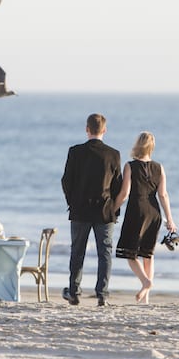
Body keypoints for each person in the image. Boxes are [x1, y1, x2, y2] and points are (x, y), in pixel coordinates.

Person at [61, 113, 123, 307]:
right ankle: (102, 294)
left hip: (79, 209)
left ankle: (74, 291)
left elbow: (66, 181)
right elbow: (118, 186)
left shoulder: (75, 151)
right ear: (104, 130)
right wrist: (114, 209)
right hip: (105, 210)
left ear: (87, 129)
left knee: (77, 252)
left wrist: (72, 201)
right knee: (104, 253)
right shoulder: (113, 154)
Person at [114, 131, 177, 304]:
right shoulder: (159, 167)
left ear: (137, 145)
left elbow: (125, 194)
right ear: (152, 147)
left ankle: (146, 282)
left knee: (129, 252)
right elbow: (163, 195)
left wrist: (112, 208)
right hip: (154, 212)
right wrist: (170, 219)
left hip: (137, 211)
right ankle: (145, 298)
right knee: (148, 254)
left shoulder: (130, 166)